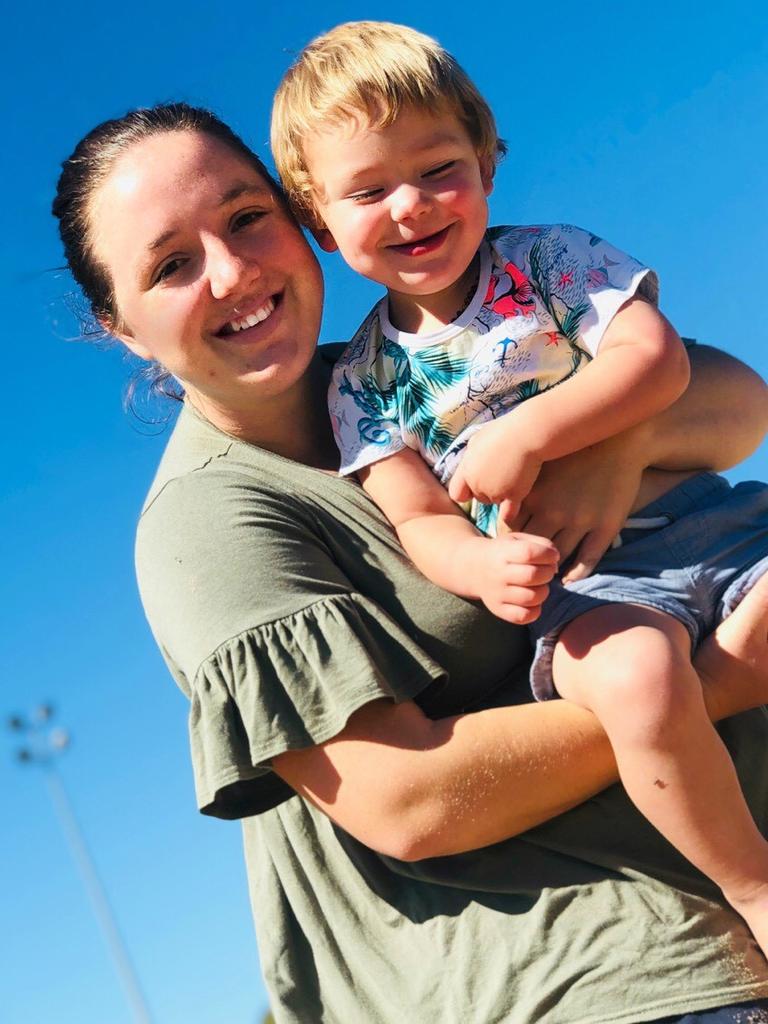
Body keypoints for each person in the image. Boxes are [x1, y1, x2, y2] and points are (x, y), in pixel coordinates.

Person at [51, 101, 768, 1023]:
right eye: (171, 266)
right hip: (570, 977)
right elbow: (407, 801)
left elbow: (738, 404)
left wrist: (611, 450)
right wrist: (710, 683)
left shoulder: (413, 360)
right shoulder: (206, 523)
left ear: (299, 216)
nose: (232, 273)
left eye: (245, 219)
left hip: (706, 935)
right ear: (121, 325)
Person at [271, 21, 768, 951]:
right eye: (368, 190)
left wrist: (534, 432)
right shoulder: (362, 381)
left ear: (486, 162)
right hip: (585, 589)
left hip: (713, 520)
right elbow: (415, 514)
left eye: (437, 168)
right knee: (637, 682)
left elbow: (655, 361)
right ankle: (753, 886)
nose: (411, 205)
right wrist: (476, 569)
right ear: (320, 222)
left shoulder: (546, 261)